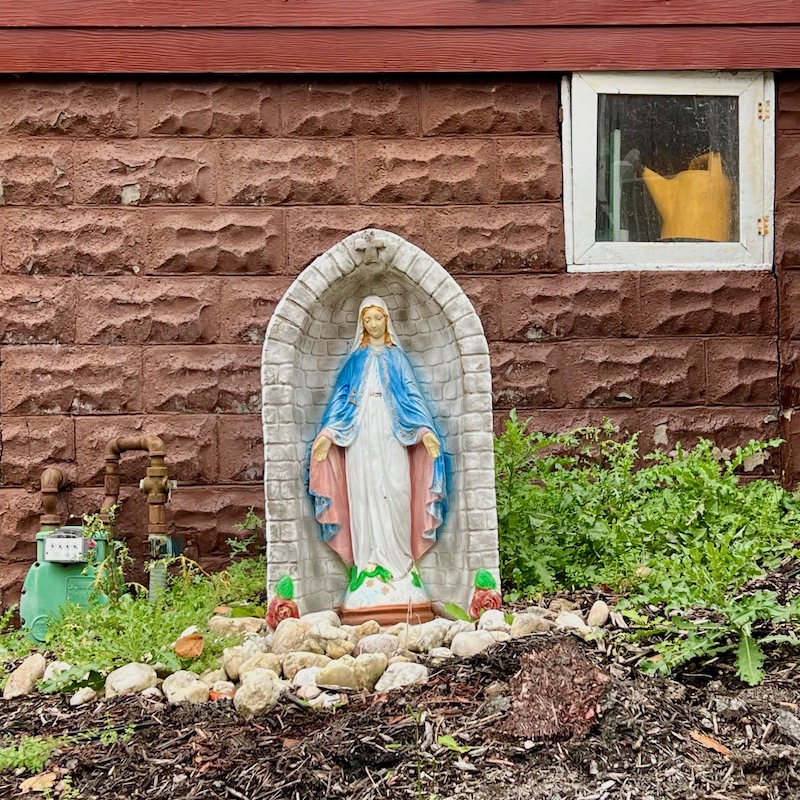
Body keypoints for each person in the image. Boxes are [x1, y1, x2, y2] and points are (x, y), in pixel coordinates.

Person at [308, 296, 447, 617]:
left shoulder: (398, 359)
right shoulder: (355, 362)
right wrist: (329, 434)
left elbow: (411, 395)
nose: (373, 324)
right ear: (362, 324)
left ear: (387, 320)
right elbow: (341, 400)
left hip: (392, 430)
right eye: (367, 319)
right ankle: (367, 565)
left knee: (397, 490)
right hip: (358, 435)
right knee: (363, 495)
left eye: (378, 318)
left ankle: (401, 565)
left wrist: (424, 431)